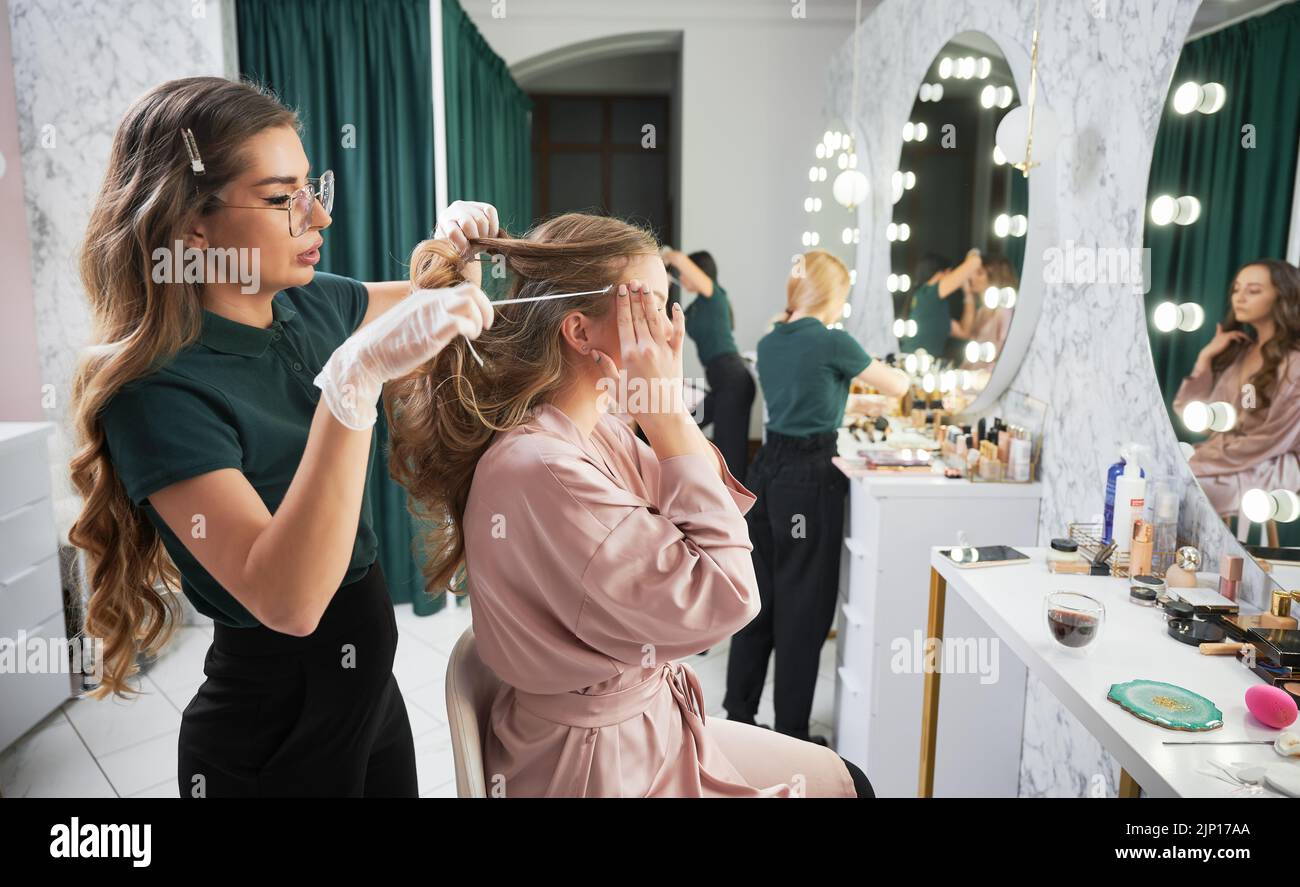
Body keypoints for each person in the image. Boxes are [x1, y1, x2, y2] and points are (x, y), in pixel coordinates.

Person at [67, 75, 496, 797]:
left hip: (370, 699)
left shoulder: (303, 304)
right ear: (191, 226)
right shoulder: (158, 392)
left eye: (312, 185)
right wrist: (351, 384)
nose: (320, 215)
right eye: (282, 197)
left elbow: (444, 305)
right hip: (271, 738)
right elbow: (288, 600)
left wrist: (459, 244)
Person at [383, 214, 873, 797]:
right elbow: (729, 593)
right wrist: (664, 410)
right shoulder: (544, 469)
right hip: (598, 767)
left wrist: (654, 408)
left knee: (852, 783)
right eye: (650, 308)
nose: (669, 331)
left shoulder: (590, 428)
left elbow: (696, 516)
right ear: (579, 332)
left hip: (645, 721)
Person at [724, 250, 909, 744]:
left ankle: (738, 715)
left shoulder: (769, 340)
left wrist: (844, 389)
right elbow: (897, 386)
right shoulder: (834, 342)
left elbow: (803, 392)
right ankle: (790, 732)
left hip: (765, 475)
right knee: (803, 607)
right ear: (832, 296)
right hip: (808, 480)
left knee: (760, 600)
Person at [1173, 259, 1300, 539]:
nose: (1240, 297)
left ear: (1283, 297)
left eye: (1253, 290)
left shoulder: (1295, 363)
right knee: (1168, 483)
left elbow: (1271, 437)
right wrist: (1205, 358)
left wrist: (1203, 461)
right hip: (1223, 457)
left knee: (1183, 491)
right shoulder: (1241, 352)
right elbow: (1193, 412)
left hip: (1269, 463)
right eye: (1237, 289)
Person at [661, 247, 756, 480]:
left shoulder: (714, 295)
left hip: (732, 378)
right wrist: (663, 285)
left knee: (729, 451)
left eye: (684, 273)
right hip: (723, 381)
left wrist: (665, 256)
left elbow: (680, 259)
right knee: (690, 422)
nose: (682, 278)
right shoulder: (694, 309)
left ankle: (737, 510)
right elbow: (667, 331)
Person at [901, 248, 982, 360]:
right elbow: (975, 262)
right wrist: (972, 253)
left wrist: (968, 293)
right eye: (951, 274)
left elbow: (964, 332)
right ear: (941, 274)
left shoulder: (932, 303)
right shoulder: (928, 294)